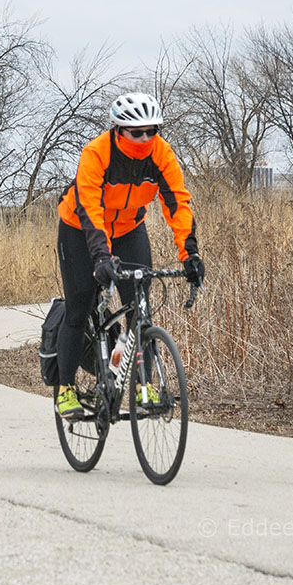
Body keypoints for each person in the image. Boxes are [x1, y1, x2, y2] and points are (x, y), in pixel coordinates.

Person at [54, 92, 205, 418]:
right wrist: (100, 258)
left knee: (140, 308)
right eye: (137, 132)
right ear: (119, 129)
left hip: (127, 230)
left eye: (153, 130)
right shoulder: (97, 153)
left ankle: (143, 387)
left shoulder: (161, 154)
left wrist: (189, 254)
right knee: (78, 309)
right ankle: (65, 390)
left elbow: (177, 203)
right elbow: (89, 208)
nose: (146, 138)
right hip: (80, 230)